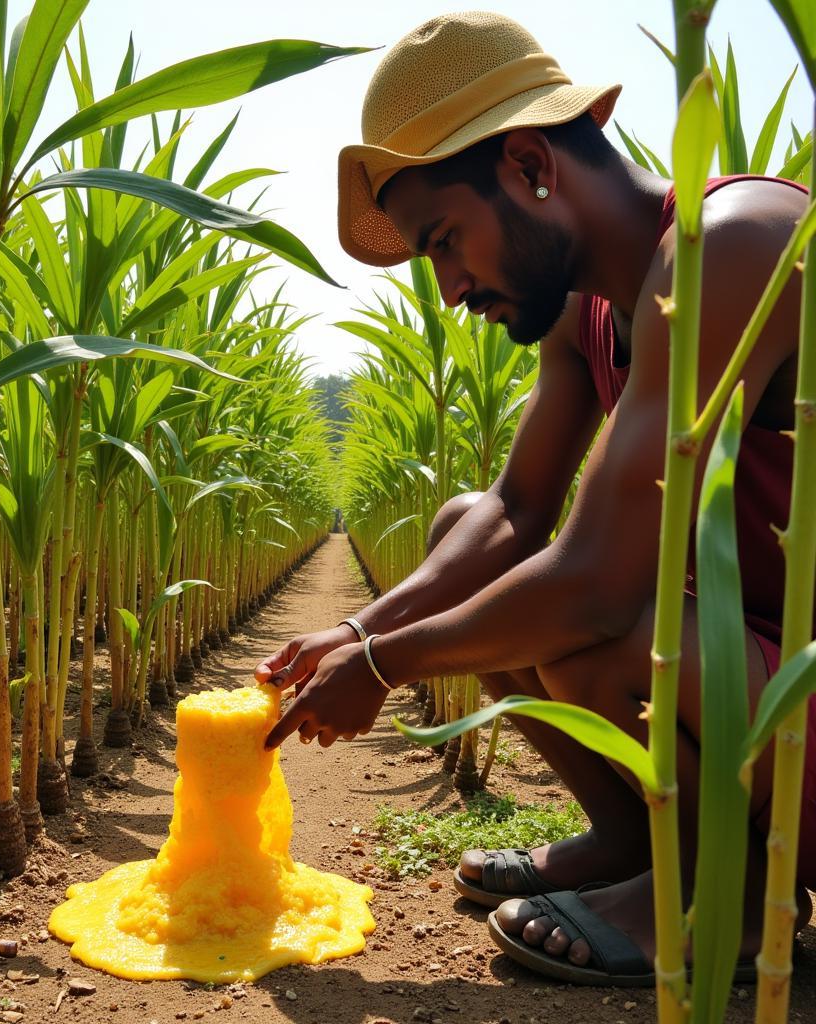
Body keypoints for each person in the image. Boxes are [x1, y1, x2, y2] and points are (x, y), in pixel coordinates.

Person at [254, 10, 815, 986]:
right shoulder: (583, 315)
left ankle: (710, 897)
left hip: (790, 702)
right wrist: (360, 625)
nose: (449, 289)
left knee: (621, 620)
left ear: (527, 166)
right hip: (751, 692)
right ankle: (630, 843)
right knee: (462, 530)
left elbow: (593, 581)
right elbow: (512, 515)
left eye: (443, 241)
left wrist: (384, 662)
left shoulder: (732, 245)